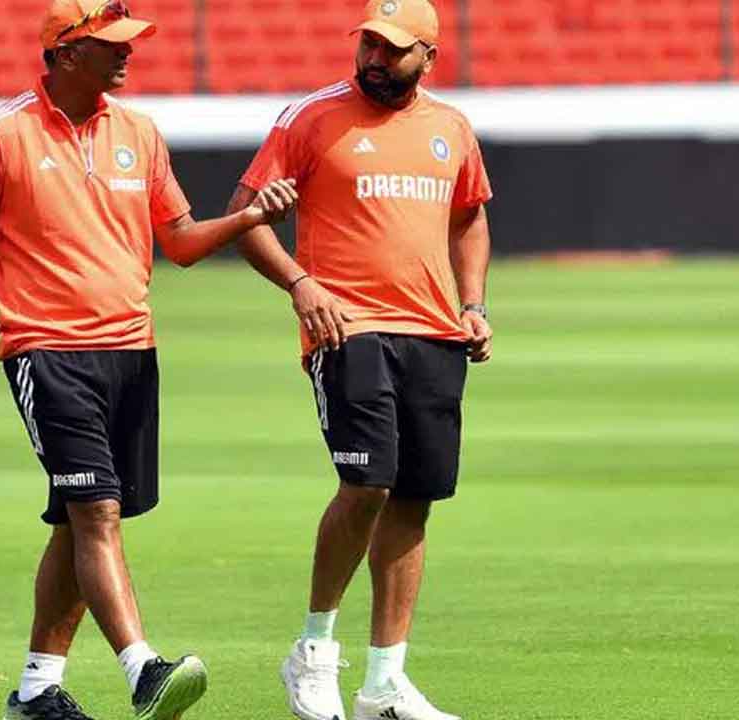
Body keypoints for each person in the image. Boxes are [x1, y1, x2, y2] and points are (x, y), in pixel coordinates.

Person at [0, 2, 298, 719]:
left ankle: (36, 690)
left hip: (132, 352)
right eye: (111, 44)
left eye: (128, 43)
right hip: (46, 350)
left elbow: (179, 241)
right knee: (97, 511)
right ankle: (143, 669)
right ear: (65, 53)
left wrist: (249, 219)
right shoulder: (0, 134)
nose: (127, 54)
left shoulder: (140, 132)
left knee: (77, 518)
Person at [227, 1, 495, 719]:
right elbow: (246, 215)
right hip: (347, 328)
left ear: (428, 57)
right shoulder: (311, 117)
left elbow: (470, 216)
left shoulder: (451, 128)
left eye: (393, 48)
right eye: (369, 44)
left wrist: (474, 304)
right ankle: (313, 652)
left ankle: (385, 683)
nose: (375, 58)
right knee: (367, 484)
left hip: (434, 332)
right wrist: (301, 284)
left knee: (414, 500)